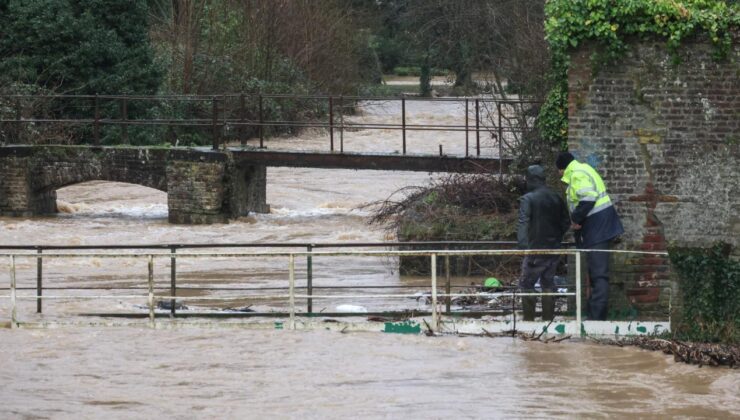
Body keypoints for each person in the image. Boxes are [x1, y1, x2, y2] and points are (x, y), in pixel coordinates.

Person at [555, 152, 624, 321]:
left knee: (599, 274)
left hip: (598, 227)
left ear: (562, 169)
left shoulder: (577, 174)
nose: (558, 175)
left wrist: (575, 219)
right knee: (596, 273)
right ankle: (594, 315)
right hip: (599, 226)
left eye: (558, 171)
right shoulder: (585, 168)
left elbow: (588, 199)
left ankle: (596, 320)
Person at [517, 165, 570, 321]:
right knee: (548, 282)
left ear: (532, 180)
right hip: (554, 249)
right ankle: (548, 321)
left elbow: (523, 223)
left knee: (527, 284)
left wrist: (523, 247)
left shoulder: (528, 199)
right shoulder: (557, 197)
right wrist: (556, 238)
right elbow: (566, 221)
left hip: (535, 250)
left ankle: (529, 322)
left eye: (527, 180)